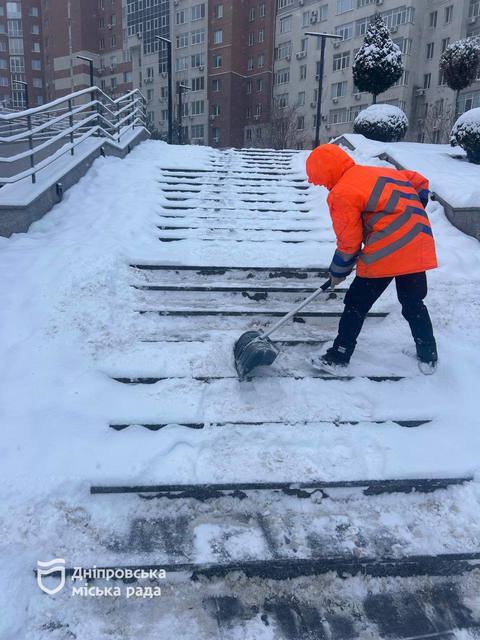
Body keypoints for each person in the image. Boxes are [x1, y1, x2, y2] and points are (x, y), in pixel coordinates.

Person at [305, 144, 438, 369]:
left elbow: (349, 243)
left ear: (326, 171)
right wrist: (412, 209)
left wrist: (338, 271)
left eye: (320, 179)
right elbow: (418, 181)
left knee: (356, 303)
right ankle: (428, 353)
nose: (322, 185)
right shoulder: (378, 172)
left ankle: (339, 356)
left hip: (386, 249)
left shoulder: (342, 192)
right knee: (413, 303)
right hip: (418, 242)